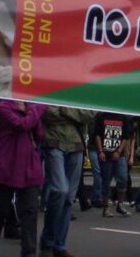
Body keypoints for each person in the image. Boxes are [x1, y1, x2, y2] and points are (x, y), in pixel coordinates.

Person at [0, 100, 46, 257]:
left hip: (28, 164)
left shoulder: (30, 107)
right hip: (7, 163)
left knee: (30, 210)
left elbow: (39, 134)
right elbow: (21, 125)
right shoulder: (2, 107)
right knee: (0, 209)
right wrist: (38, 109)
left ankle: (29, 252)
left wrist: (32, 111)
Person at [40, 106, 94, 257]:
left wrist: (65, 111)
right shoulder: (51, 85)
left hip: (76, 144)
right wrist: (74, 114)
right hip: (53, 141)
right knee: (60, 190)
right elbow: (46, 112)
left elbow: (90, 114)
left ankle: (59, 245)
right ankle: (48, 240)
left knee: (69, 197)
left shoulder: (81, 91)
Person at [93, 111, 133, 217]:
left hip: (119, 154)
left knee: (123, 178)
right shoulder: (101, 116)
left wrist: (119, 151)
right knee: (106, 181)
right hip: (105, 154)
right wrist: (101, 151)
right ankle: (106, 207)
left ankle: (120, 204)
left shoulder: (123, 116)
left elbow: (125, 136)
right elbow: (97, 134)